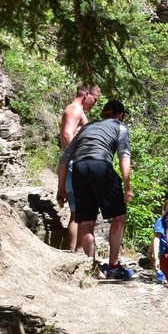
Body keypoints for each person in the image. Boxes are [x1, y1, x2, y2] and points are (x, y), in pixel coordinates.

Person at [56, 99, 134, 280]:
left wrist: (61, 188)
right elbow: (124, 155)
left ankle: (92, 268)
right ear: (120, 115)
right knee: (119, 216)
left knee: (86, 222)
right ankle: (113, 265)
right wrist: (127, 185)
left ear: (103, 114)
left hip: (79, 169)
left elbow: (65, 156)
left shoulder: (86, 128)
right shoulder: (120, 127)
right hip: (101, 167)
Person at [57, 84, 100, 251]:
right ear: (87, 94)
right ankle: (79, 256)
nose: (95, 103)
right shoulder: (75, 109)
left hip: (72, 165)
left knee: (77, 215)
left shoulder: (77, 110)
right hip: (75, 165)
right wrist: (78, 159)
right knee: (82, 215)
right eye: (95, 99)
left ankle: (75, 255)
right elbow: (67, 134)